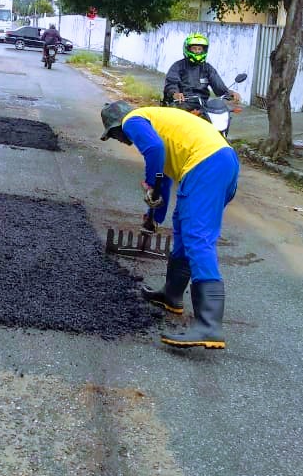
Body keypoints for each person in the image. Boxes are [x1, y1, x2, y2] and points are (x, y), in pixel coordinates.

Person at [100, 99, 240, 349]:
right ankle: (172, 294)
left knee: (197, 236)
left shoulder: (133, 120)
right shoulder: (156, 125)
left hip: (208, 164)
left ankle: (209, 324)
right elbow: (161, 178)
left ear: (118, 125)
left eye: (115, 135)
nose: (121, 141)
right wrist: (153, 218)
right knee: (183, 228)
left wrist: (148, 181)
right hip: (216, 163)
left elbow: (154, 151)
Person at [163, 33, 237, 106]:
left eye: (199, 49)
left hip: (202, 105)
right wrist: (175, 93)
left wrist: (230, 94)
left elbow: (219, 87)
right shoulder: (177, 66)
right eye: (194, 48)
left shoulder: (208, 68)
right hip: (180, 103)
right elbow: (171, 83)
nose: (197, 51)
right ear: (188, 49)